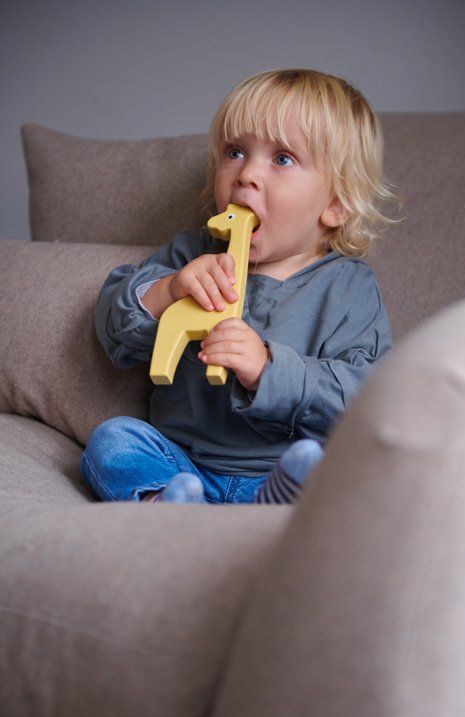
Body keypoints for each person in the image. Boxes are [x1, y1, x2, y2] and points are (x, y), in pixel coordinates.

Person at [81, 68, 398, 505]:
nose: (247, 174)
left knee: (333, 469)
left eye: (282, 158)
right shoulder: (192, 254)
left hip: (280, 469)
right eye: (235, 152)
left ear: (336, 203)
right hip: (186, 463)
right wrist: (169, 290)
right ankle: (166, 504)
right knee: (113, 441)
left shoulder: (349, 288)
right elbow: (112, 326)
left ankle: (278, 507)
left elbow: (366, 397)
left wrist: (269, 369)